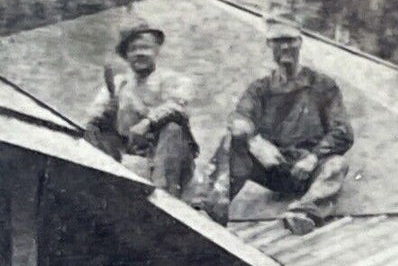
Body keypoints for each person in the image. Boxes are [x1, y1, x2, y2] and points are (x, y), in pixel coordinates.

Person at [202, 13, 353, 235]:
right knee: (231, 142)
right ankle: (215, 206)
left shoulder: (322, 85)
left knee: (337, 165)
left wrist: (313, 158)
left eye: (290, 40)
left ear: (300, 42)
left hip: (306, 169)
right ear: (269, 44)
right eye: (278, 41)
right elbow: (238, 119)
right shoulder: (260, 88)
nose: (285, 47)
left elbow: (343, 131)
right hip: (273, 167)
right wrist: (255, 142)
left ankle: (304, 212)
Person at [84, 20, 198, 197]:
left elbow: (177, 106)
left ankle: (164, 198)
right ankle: (100, 192)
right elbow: (94, 114)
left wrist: (148, 122)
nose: (139, 54)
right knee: (94, 131)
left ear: (156, 50)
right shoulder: (120, 82)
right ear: (126, 55)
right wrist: (107, 110)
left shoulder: (174, 80)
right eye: (133, 49)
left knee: (173, 128)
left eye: (145, 47)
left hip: (169, 159)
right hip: (130, 153)